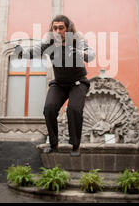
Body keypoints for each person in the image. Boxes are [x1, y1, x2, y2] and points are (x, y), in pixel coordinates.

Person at [15, 15, 95, 156]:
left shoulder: (77, 40)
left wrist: (83, 53)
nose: (58, 31)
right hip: (59, 83)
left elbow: (91, 54)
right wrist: (21, 52)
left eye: (61, 28)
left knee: (73, 110)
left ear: (68, 28)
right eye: (55, 28)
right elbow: (34, 51)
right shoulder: (49, 42)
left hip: (78, 82)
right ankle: (53, 144)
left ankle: (75, 146)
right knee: (49, 109)